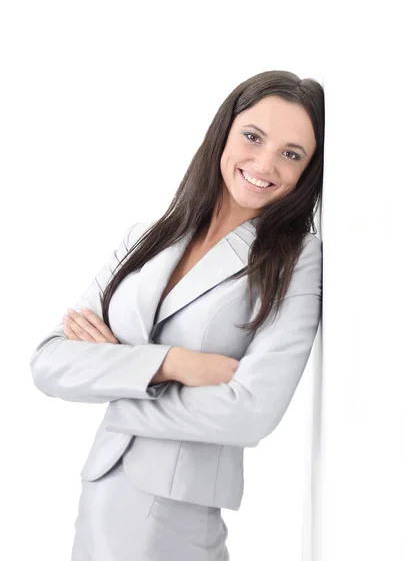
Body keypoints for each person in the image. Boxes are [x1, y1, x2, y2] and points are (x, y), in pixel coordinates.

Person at [30, 69, 324, 560]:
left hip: (176, 513)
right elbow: (48, 362)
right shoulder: (147, 237)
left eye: (291, 154)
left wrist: (112, 378)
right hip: (100, 493)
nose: (265, 162)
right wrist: (171, 364)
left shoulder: (295, 259)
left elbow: (249, 412)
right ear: (224, 132)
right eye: (253, 137)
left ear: (306, 171)